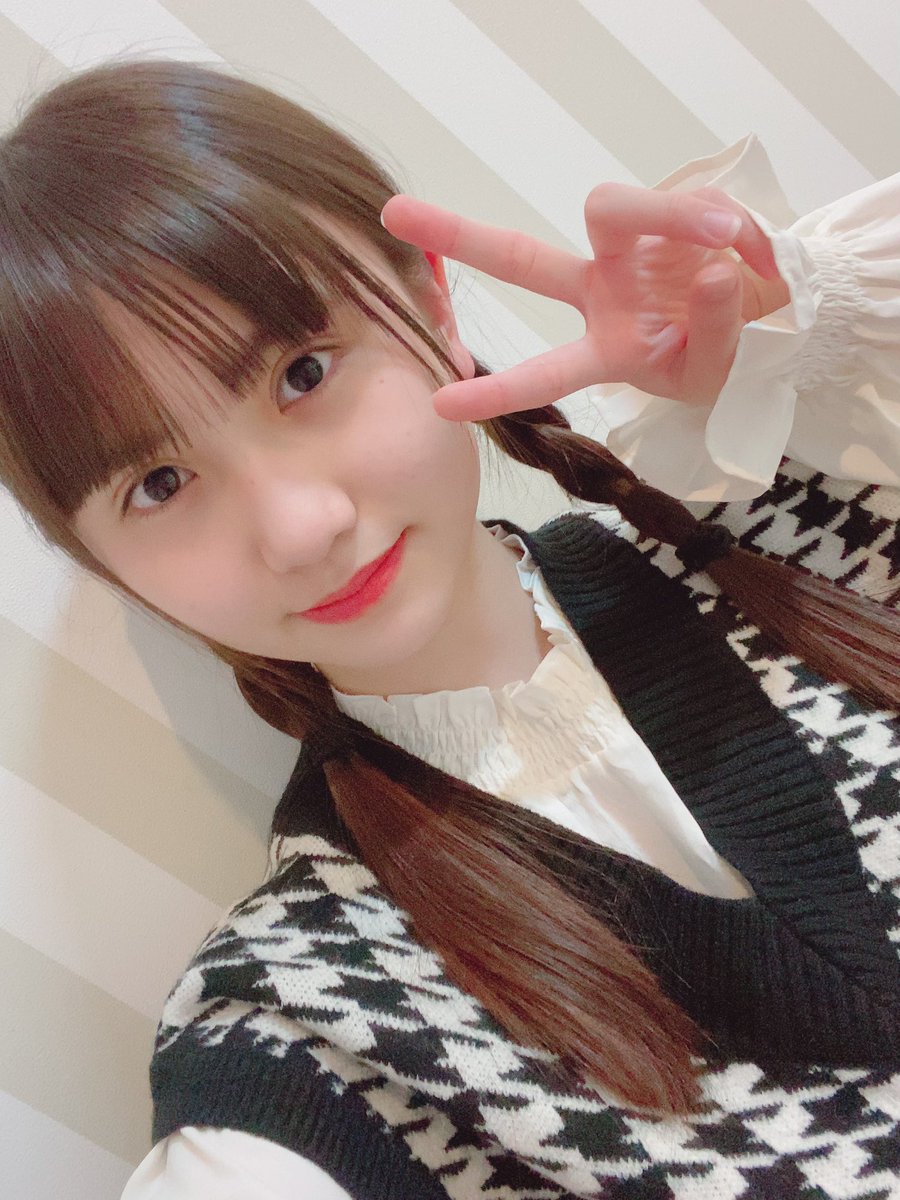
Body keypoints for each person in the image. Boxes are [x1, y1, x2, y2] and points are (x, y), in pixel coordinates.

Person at [0, 58, 897, 1200]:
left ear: (431, 303)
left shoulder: (779, 503)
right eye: (160, 484)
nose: (302, 528)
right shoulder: (315, 1029)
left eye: (303, 373)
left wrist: (799, 342)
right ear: (111, 568)